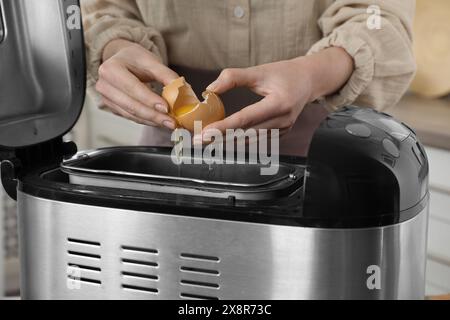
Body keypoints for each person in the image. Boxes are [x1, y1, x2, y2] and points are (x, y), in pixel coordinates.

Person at [82, 0, 416, 156]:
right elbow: (104, 9)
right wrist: (114, 44)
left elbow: (377, 17)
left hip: (316, 147)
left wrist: (311, 75)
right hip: (171, 150)